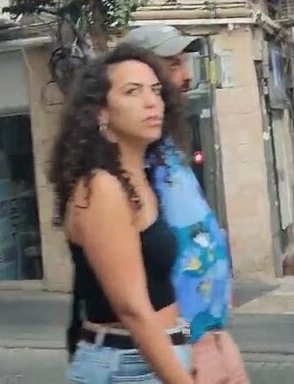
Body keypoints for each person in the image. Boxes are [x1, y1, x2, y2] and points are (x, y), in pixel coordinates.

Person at [55, 44, 194, 384]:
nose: (152, 102)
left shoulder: (139, 179)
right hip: (126, 366)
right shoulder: (102, 188)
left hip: (150, 358)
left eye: (156, 91)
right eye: (133, 92)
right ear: (101, 112)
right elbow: (131, 309)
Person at [122, 25, 249, 384]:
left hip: (214, 336)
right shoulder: (132, 159)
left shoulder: (167, 152)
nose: (187, 76)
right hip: (183, 345)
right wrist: (178, 353)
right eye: (174, 64)